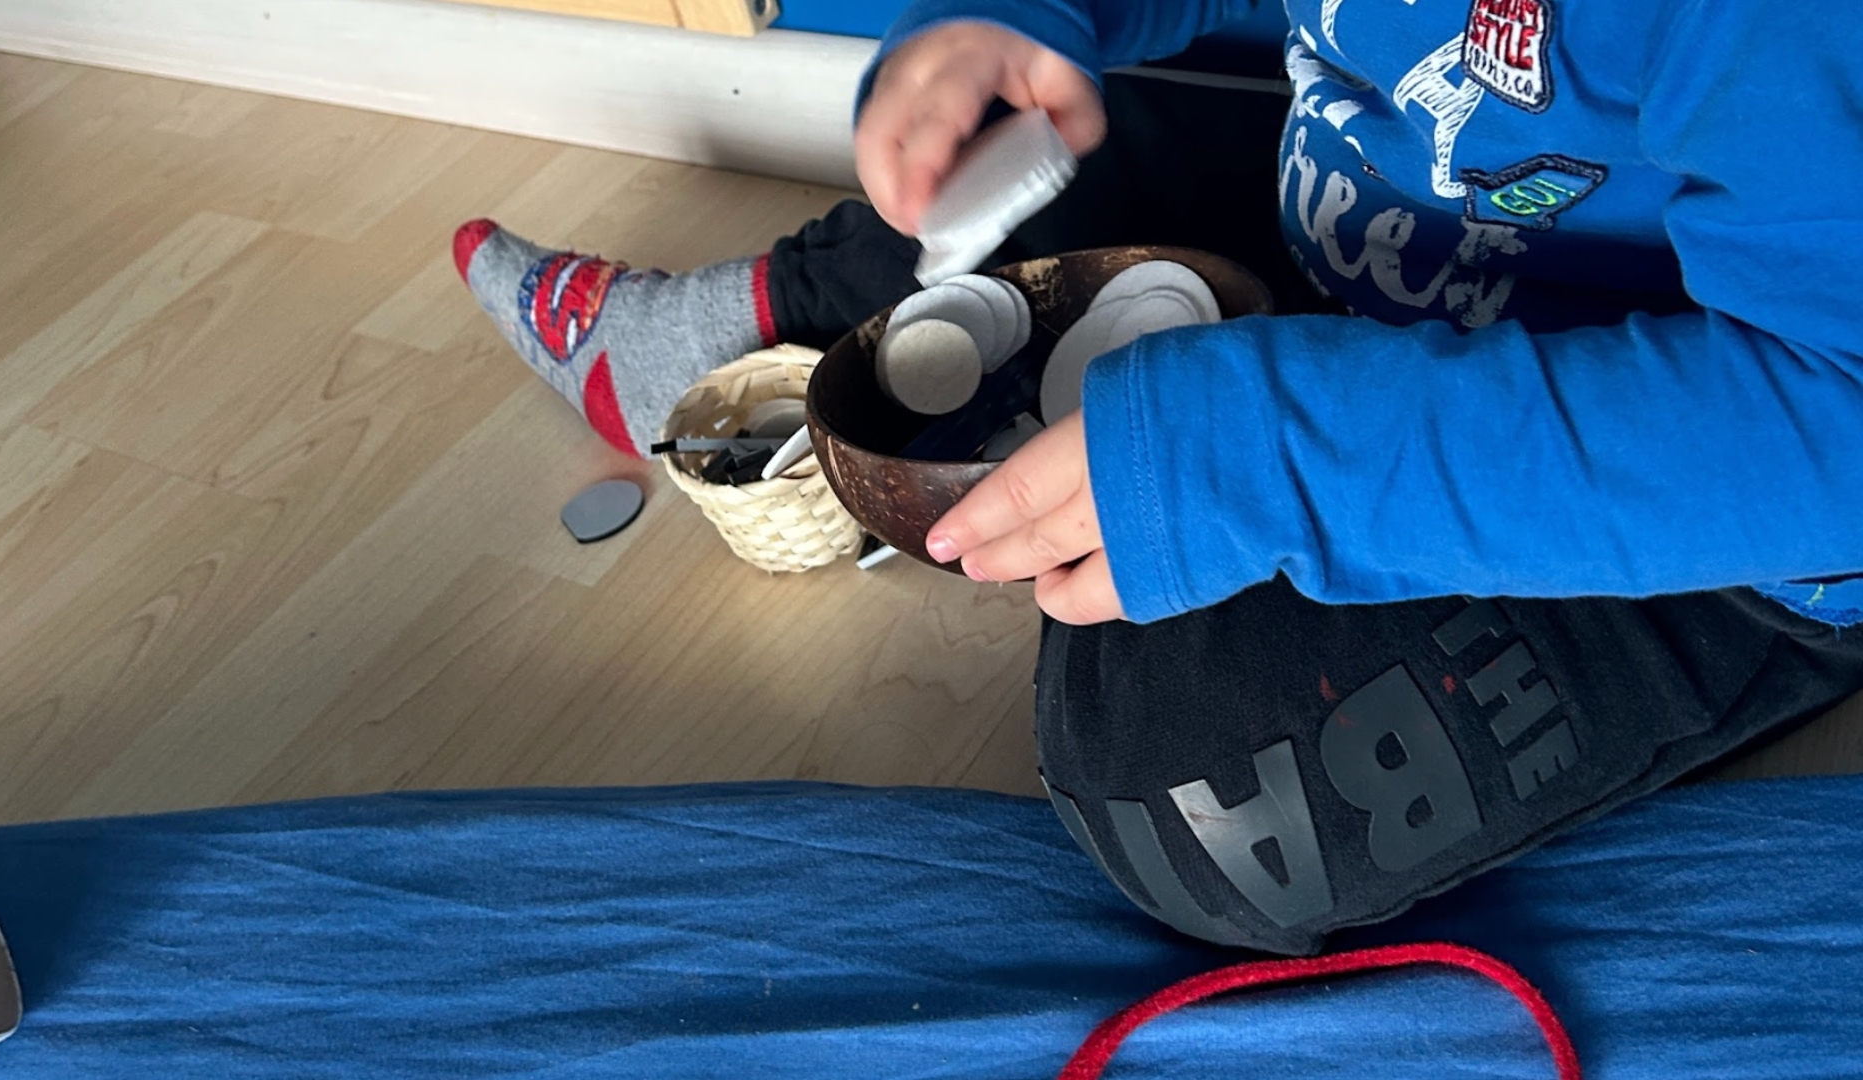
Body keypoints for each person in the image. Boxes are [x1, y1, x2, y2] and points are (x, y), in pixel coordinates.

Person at [456, 0, 1863, 954]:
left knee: (1191, 798)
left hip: (1729, 506)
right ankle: (740, 317)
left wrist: (1263, 456)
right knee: (1028, 142)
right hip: (1385, 233)